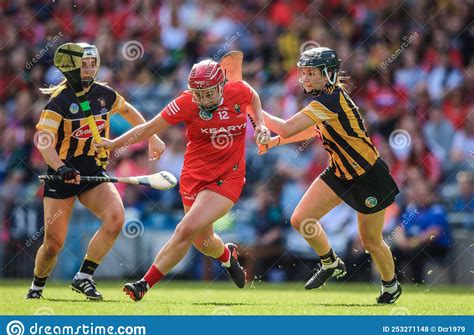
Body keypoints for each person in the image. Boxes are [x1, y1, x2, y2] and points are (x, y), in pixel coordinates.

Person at [96, 59, 270, 301]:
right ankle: (227, 257)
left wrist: (260, 124)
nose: (205, 99)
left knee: (184, 229)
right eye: (199, 94)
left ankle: (144, 284)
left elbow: (253, 97)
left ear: (221, 85)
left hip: (227, 177)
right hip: (194, 176)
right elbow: (149, 128)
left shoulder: (237, 90)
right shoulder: (187, 102)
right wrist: (114, 144)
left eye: (209, 93)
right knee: (203, 241)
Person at [258, 47, 402, 304]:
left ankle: (390, 285)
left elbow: (286, 126)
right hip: (339, 173)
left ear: (328, 74)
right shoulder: (325, 99)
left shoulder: (330, 100)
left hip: (368, 177)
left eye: (312, 73)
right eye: (304, 73)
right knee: (301, 218)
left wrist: (253, 104)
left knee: (371, 241)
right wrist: (275, 143)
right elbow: (312, 130)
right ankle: (330, 262)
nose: (306, 79)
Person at [26, 43, 165, 300]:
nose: (89, 68)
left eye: (92, 63)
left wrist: (152, 136)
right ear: (73, 67)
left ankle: (84, 276)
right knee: (53, 245)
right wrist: (61, 167)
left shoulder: (104, 94)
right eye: (84, 64)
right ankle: (37, 286)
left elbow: (126, 110)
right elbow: (43, 141)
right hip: (62, 176)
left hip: (93, 174)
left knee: (116, 217)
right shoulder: (59, 102)